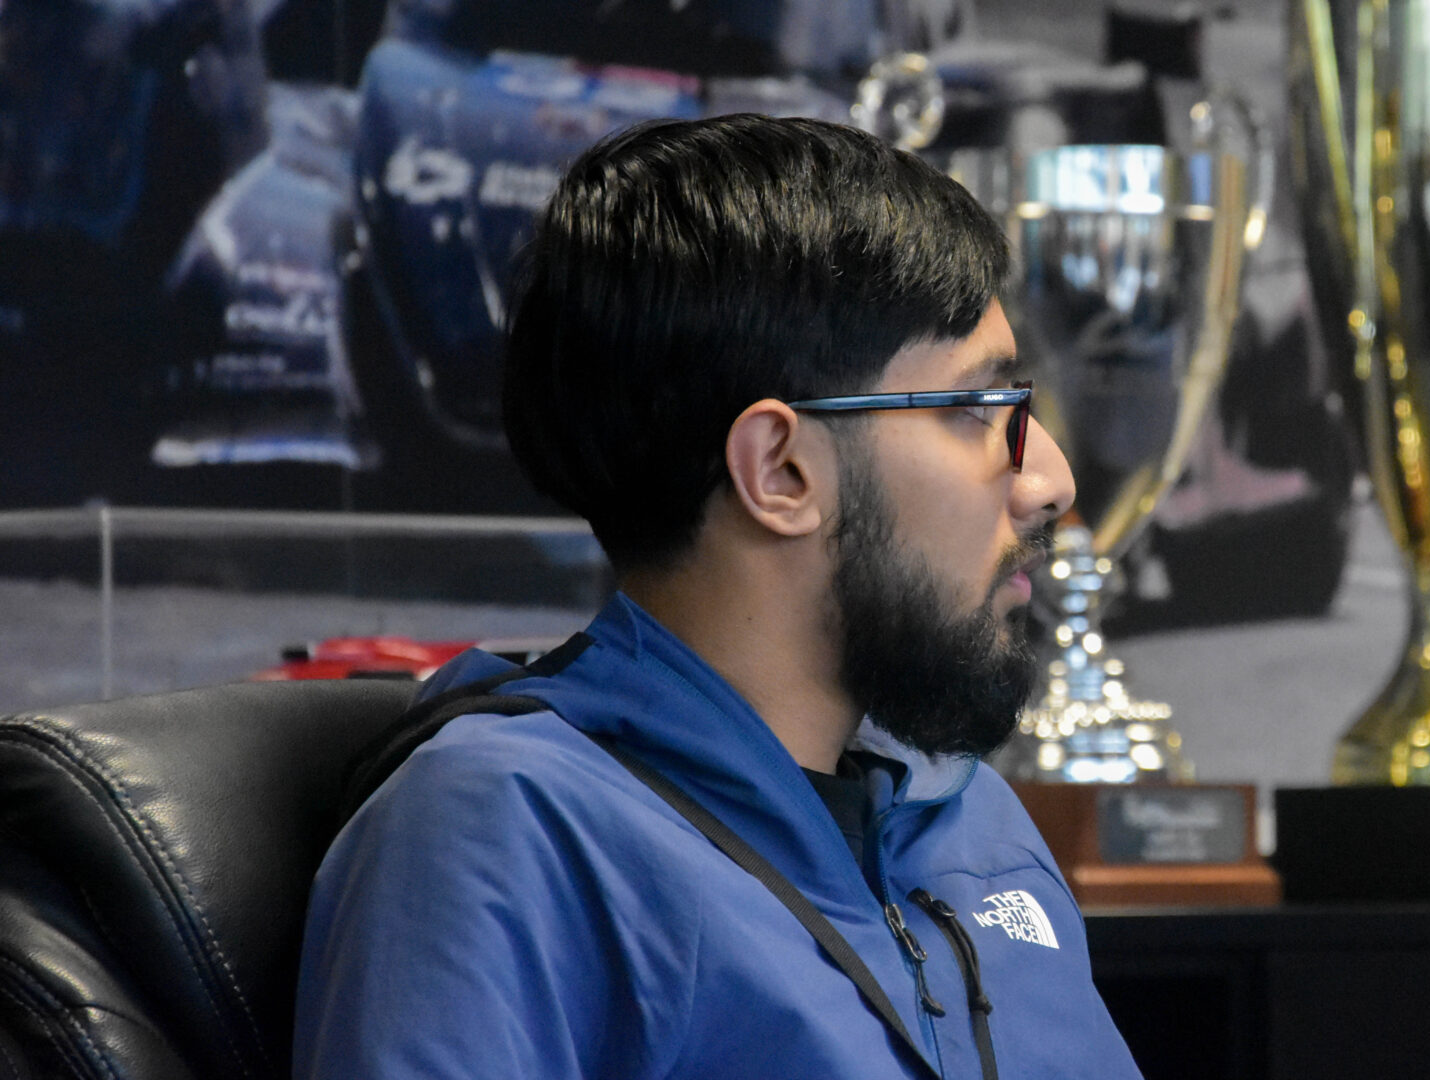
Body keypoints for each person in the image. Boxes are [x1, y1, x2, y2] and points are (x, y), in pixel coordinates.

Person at [292, 114, 1143, 1079]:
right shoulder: (508, 830)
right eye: (978, 411)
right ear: (781, 470)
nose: (1052, 479)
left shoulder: (967, 815)